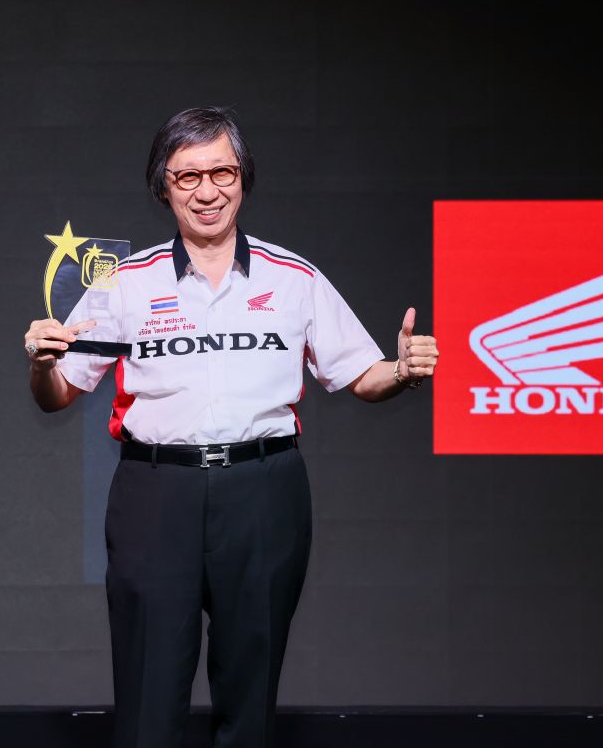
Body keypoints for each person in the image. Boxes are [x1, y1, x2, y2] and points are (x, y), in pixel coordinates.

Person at [23, 107, 438, 748]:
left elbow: (361, 375)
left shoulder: (294, 278)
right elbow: (58, 395)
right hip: (156, 493)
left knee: (251, 686)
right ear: (163, 187)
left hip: (264, 489)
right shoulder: (123, 285)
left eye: (222, 172)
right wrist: (42, 363)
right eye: (188, 176)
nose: (207, 191)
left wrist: (403, 371)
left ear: (243, 178)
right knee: (148, 690)